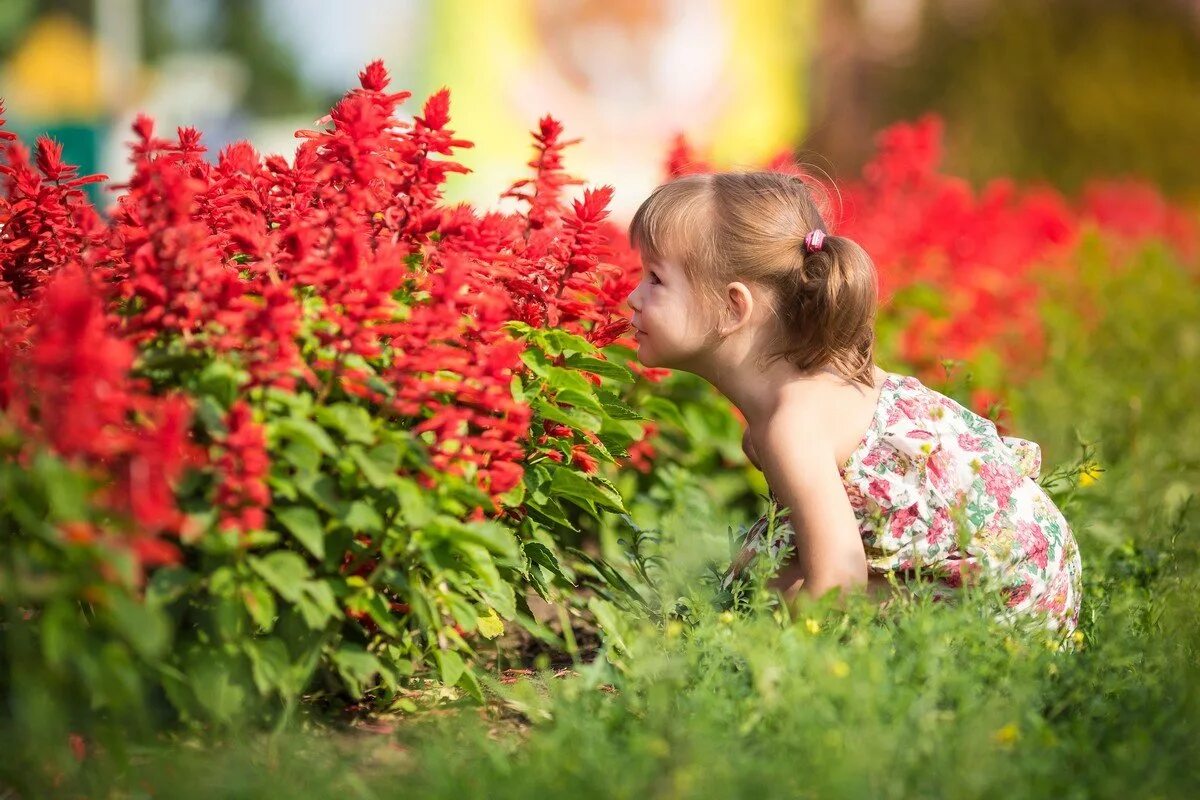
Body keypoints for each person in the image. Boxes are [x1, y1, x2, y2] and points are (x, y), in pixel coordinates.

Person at [624, 170, 1082, 634]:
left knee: (763, 593)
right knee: (759, 570)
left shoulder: (793, 425)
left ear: (732, 308)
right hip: (1028, 570)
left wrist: (774, 657)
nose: (632, 296)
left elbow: (838, 583)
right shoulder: (811, 389)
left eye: (656, 279)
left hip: (1002, 605)